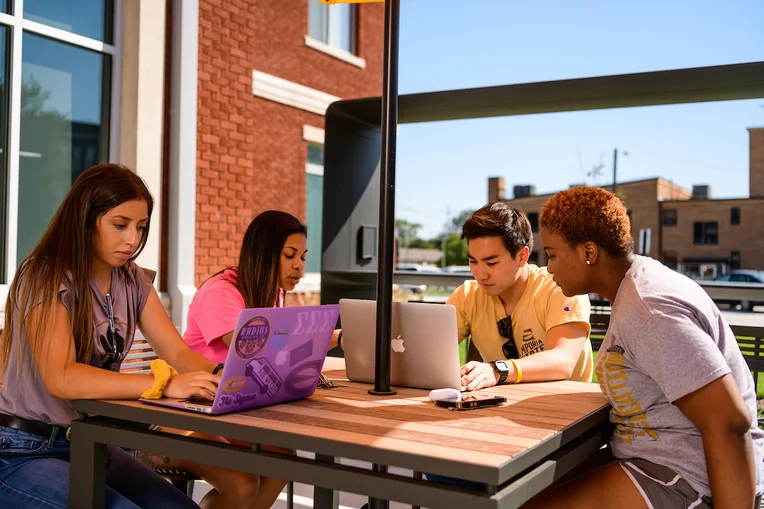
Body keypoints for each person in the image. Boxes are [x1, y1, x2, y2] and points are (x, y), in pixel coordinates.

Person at [525, 186, 764, 508]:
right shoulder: (634, 292)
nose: (549, 268)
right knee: (525, 491)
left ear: (588, 252)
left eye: (552, 254)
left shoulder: (651, 311)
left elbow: (728, 421)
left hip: (690, 479)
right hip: (653, 458)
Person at [0, 164, 220, 509]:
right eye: (120, 225)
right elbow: (62, 379)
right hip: (23, 447)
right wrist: (162, 385)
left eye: (140, 227)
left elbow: (178, 353)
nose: (132, 239)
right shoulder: (46, 273)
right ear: (85, 220)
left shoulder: (132, 279)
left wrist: (230, 378)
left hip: (91, 442)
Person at [137, 210, 341, 509]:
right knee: (244, 484)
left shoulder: (270, 293)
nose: (299, 265)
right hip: (177, 418)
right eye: (289, 255)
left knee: (282, 460)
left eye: (303, 257)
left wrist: (334, 337)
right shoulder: (222, 292)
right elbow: (256, 352)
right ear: (264, 254)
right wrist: (335, 338)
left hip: (225, 413)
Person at [449, 202, 593, 392]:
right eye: (473, 261)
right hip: (497, 408)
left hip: (567, 410)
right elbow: (427, 349)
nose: (480, 274)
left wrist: (496, 370)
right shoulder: (467, 295)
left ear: (521, 256)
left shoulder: (560, 288)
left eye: (491, 263)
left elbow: (562, 362)